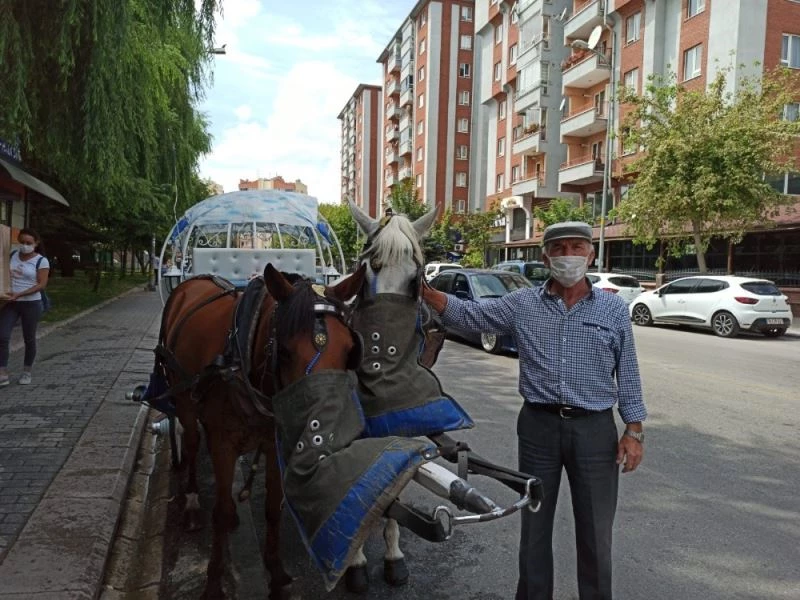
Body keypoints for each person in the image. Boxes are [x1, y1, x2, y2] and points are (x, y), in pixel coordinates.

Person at [421, 221, 646, 600]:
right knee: (534, 526)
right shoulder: (523, 304)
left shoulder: (612, 309)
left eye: (577, 247)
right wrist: (427, 294)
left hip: (595, 432)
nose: (568, 256)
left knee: (596, 531)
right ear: (545, 258)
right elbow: (473, 315)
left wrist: (634, 430)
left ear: (591, 255)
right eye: (559, 249)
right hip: (538, 428)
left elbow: (628, 371)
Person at [0, 228, 50, 386]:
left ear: (36, 243)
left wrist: (20, 294)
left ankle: (27, 371)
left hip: (31, 303)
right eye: (22, 242)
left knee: (29, 338)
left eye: (28, 243)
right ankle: (2, 372)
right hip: (10, 303)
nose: (24, 245)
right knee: (2, 336)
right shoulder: (12, 255)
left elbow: (41, 284)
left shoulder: (41, 261)